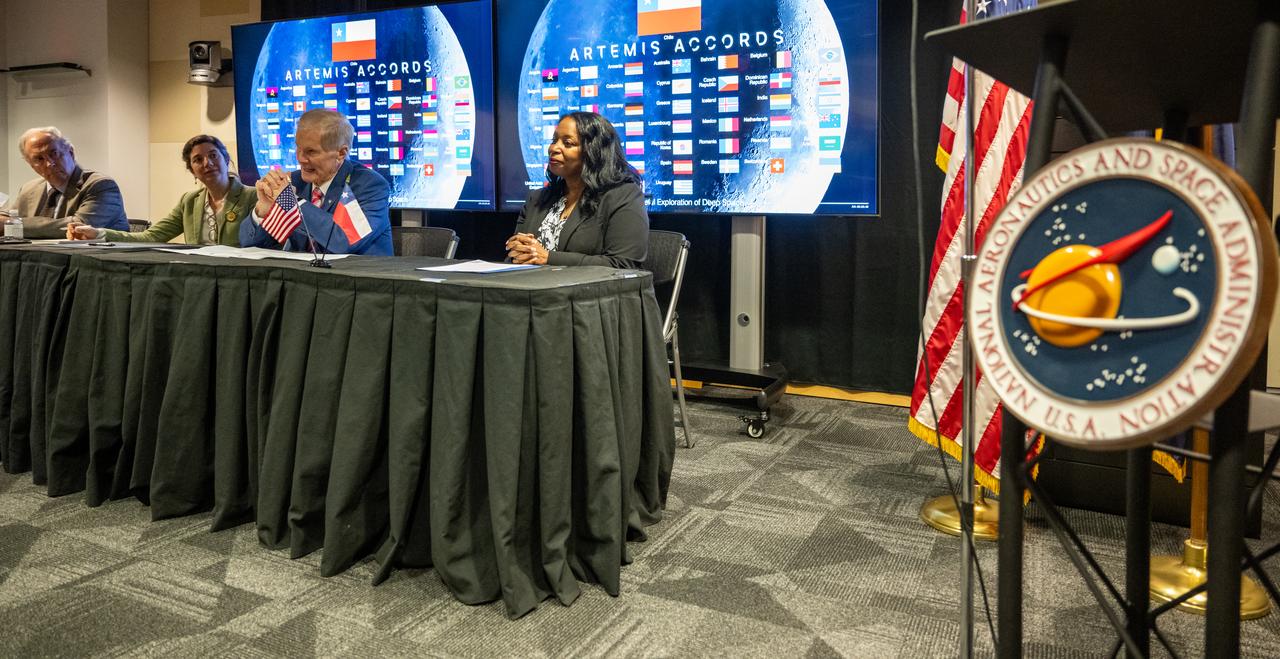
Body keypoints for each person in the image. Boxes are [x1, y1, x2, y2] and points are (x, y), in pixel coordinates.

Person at [506, 111, 648, 269]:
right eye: (554, 140)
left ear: (593, 152)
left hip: (596, 292)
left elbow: (623, 264)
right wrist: (516, 252)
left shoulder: (623, 196)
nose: (554, 148)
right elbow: (517, 258)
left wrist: (548, 258)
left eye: (567, 143)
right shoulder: (537, 199)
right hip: (536, 290)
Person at [240, 109, 392, 256]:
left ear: (341, 153)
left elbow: (344, 242)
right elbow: (249, 244)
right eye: (298, 148)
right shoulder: (294, 182)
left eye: (311, 152)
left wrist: (293, 202)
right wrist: (262, 211)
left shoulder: (370, 186)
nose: (300, 158)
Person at [67, 135, 254, 245]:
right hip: (199, 280)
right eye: (198, 160)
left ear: (226, 159)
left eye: (213, 155)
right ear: (192, 171)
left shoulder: (252, 197)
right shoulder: (189, 201)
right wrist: (99, 233)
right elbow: (151, 236)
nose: (207, 163)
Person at [0, 127, 128, 238]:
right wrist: (7, 221)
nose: (49, 164)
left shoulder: (100, 185)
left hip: (95, 262)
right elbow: (7, 216)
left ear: (70, 152)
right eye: (39, 159)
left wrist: (13, 224)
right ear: (30, 164)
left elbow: (78, 227)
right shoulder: (29, 189)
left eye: (54, 153)